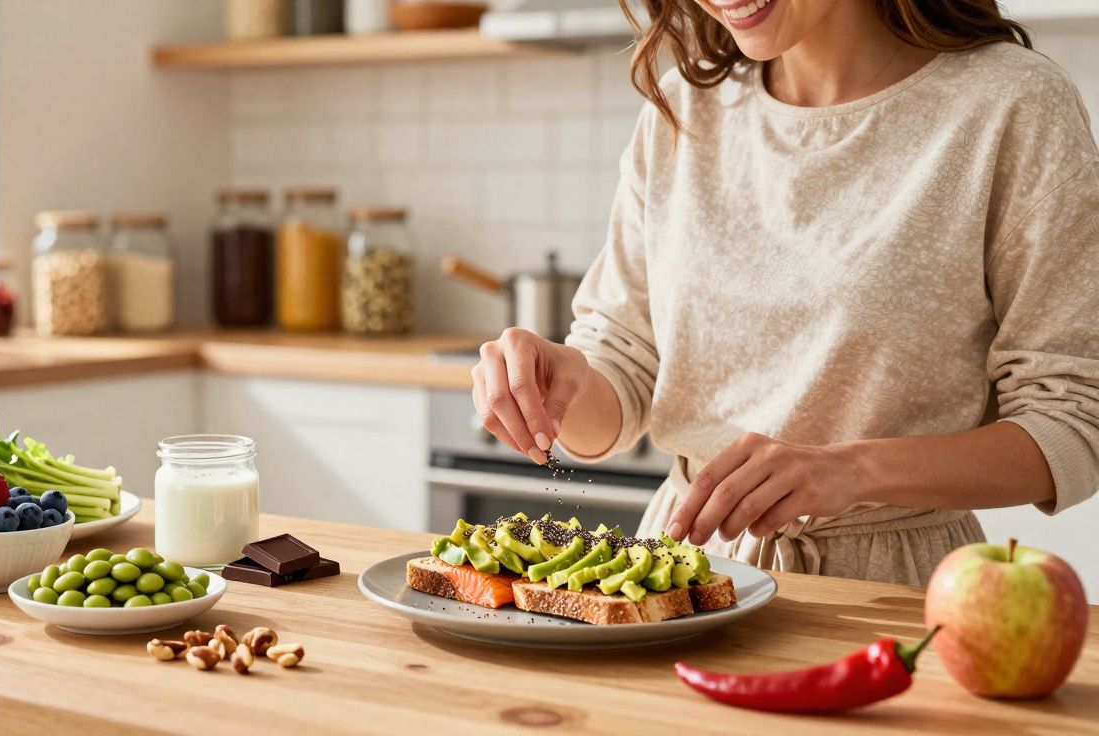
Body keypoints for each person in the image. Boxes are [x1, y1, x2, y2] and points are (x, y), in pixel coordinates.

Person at [470, 0, 1099, 585]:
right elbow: (625, 365)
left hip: (893, 591)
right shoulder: (683, 109)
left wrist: (854, 470)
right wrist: (565, 382)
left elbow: (1072, 420)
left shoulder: (1012, 106)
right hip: (686, 574)